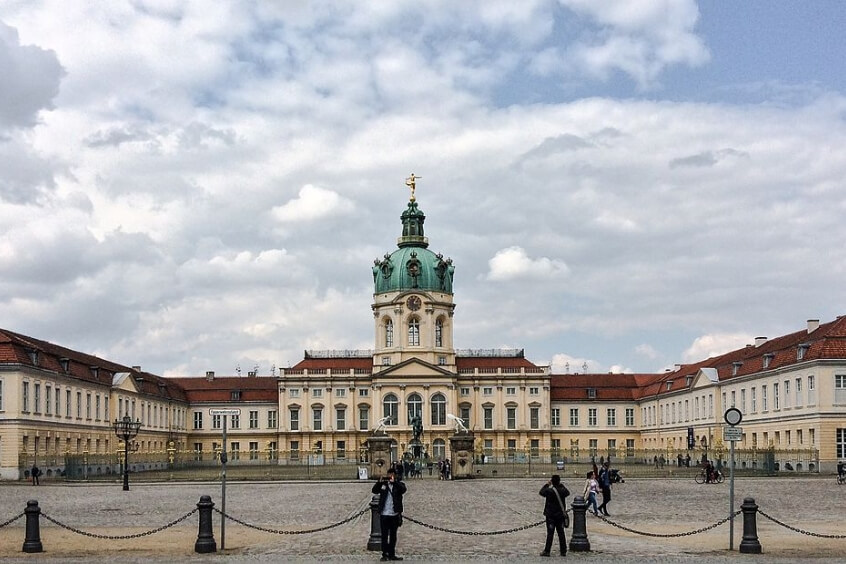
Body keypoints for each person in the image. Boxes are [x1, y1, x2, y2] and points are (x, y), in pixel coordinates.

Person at [372, 467, 407, 561]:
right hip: (384, 514)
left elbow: (403, 489)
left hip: (394, 514)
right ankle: (384, 554)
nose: (390, 476)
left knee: (393, 536)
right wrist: (379, 482)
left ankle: (392, 554)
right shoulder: (383, 484)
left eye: (392, 474)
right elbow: (374, 491)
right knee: (384, 535)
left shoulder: (398, 484)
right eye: (389, 474)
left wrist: (394, 482)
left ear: (395, 475)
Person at [539, 474, 570, 557]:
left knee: (550, 533)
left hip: (551, 515)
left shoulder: (549, 491)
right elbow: (567, 493)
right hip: (560, 515)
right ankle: (563, 550)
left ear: (552, 481)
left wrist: (547, 484)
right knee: (561, 533)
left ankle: (547, 550)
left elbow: (541, 492)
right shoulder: (562, 490)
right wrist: (561, 485)